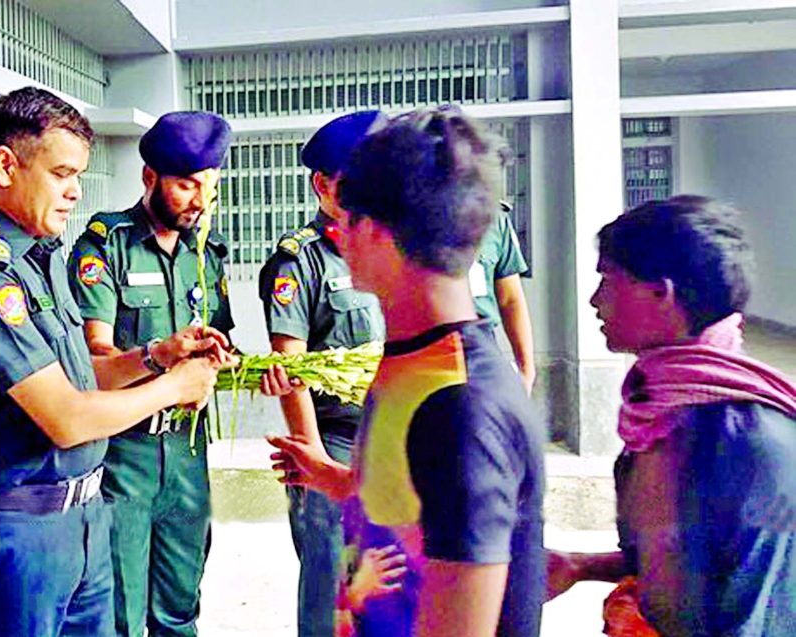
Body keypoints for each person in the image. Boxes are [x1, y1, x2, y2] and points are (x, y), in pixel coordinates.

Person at [0, 87, 227, 637]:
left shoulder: (40, 256)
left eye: (78, 176)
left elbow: (82, 378)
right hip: (12, 533)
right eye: (61, 174)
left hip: (80, 521)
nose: (73, 193)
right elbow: (67, 418)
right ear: (7, 165)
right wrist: (176, 386)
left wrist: (157, 355)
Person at [267, 105, 547, 637]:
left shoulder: (461, 402)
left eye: (345, 220)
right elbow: (413, 506)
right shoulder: (410, 359)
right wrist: (337, 479)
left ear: (370, 230)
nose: (338, 236)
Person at [546, 195, 796, 636]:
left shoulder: (751, 446)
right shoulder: (662, 409)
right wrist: (581, 565)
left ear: (662, 293)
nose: (593, 300)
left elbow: (751, 614)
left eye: (608, 279)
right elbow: (687, 561)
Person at [67, 111, 234, 637]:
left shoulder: (205, 255)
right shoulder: (104, 246)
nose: (199, 200)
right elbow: (95, 362)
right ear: (149, 178)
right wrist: (159, 355)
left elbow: (220, 343)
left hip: (187, 454)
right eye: (186, 185)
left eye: (208, 186)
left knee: (181, 606)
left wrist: (228, 362)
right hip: (126, 458)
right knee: (121, 610)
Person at [257, 110, 387, 637]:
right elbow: (291, 369)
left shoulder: (387, 246)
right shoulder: (300, 261)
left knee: (382, 582)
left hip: (386, 440)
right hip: (332, 441)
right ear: (323, 186)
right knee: (329, 586)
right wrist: (312, 463)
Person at [470, 200, 536, 394]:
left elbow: (510, 299)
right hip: (419, 347)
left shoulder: (493, 219)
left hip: (479, 348)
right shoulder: (401, 216)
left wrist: (526, 369)